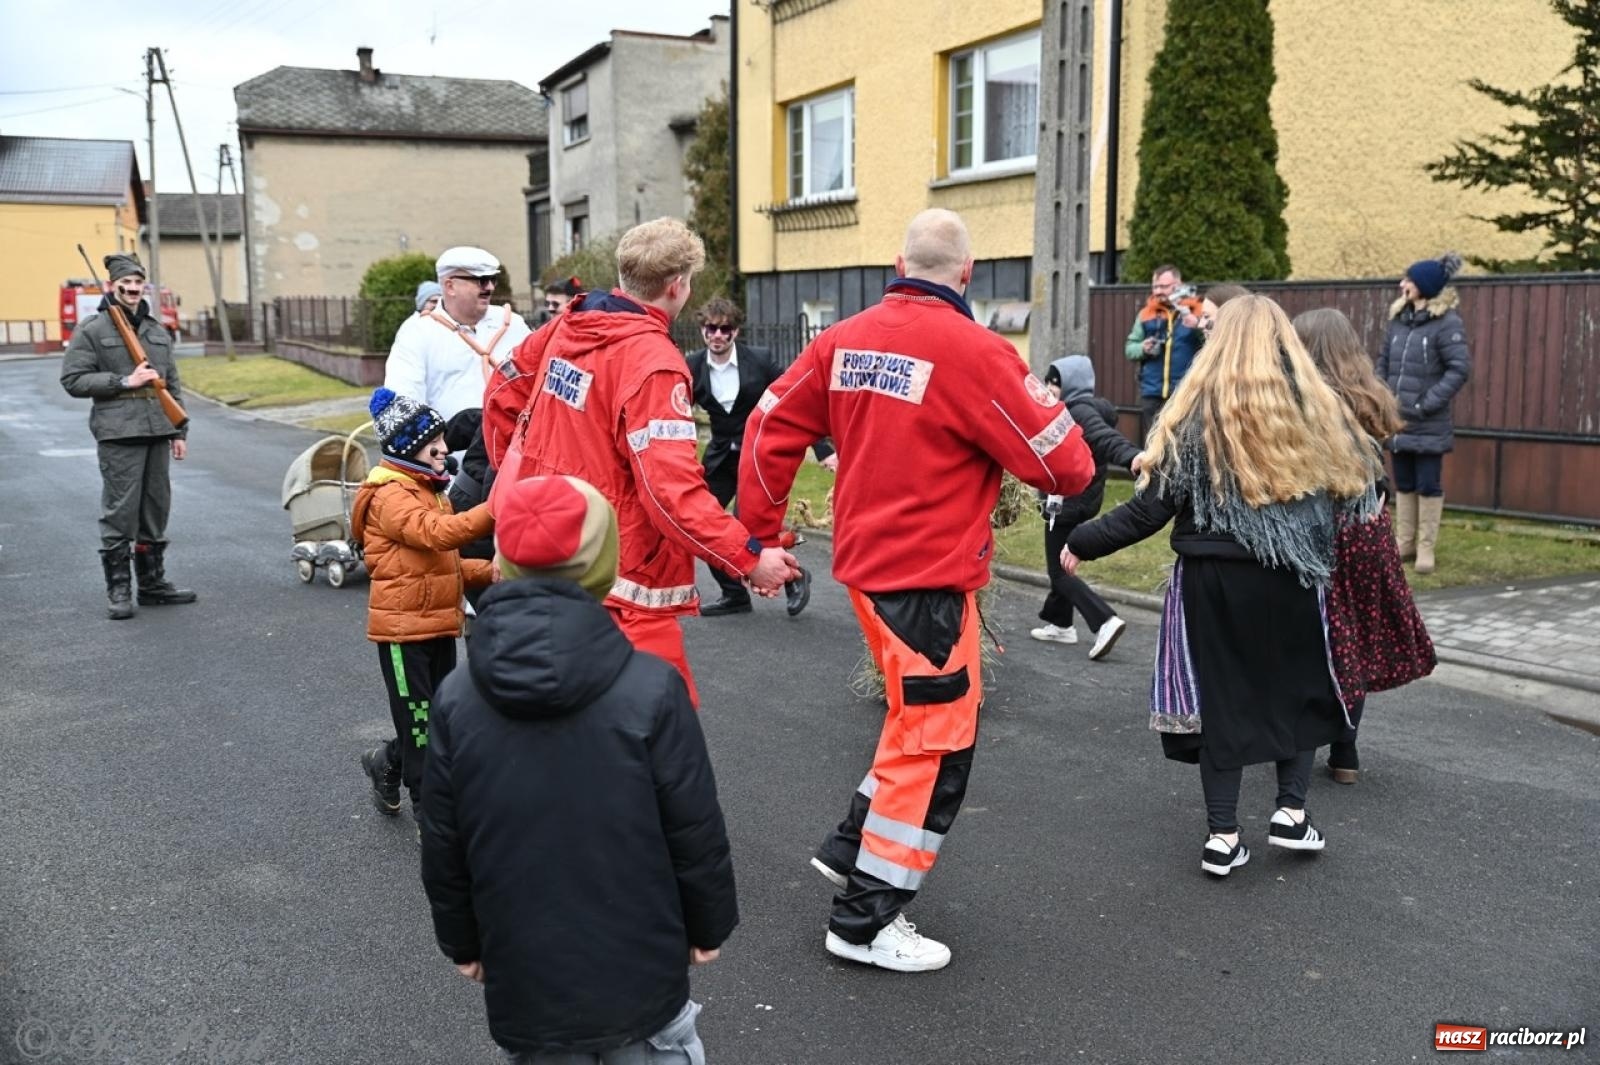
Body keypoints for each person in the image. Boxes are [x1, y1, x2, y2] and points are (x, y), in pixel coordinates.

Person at [739, 208, 1096, 972]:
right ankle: (864, 919)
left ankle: (851, 848)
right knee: (936, 749)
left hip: (870, 574)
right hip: (928, 581)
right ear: (966, 274)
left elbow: (769, 427)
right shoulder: (977, 351)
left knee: (917, 725)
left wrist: (761, 533)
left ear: (897, 264)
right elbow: (1067, 466)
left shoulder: (841, 339)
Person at [421, 474, 737, 1063]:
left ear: (504, 561)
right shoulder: (651, 688)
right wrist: (707, 924)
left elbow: (445, 836)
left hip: (523, 970)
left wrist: (461, 940)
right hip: (643, 961)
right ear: (603, 564)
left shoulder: (458, 698)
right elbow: (692, 823)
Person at [1066, 295, 1378, 878]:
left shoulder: (1192, 418)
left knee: (1224, 703)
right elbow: (1359, 490)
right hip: (1292, 578)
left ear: (1217, 345)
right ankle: (1290, 811)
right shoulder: (1317, 412)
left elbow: (1148, 512)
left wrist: (1081, 540)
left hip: (1209, 584)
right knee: (1298, 689)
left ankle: (1222, 837)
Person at [486, 218, 798, 705]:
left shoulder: (568, 326)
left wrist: (531, 491)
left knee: (547, 710)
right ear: (678, 286)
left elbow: (502, 395)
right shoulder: (653, 363)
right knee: (658, 726)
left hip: (540, 555)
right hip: (619, 576)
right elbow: (670, 491)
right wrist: (749, 558)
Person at [353, 388, 495, 824]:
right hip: (402, 632)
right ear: (405, 447)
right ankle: (430, 814)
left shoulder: (428, 489)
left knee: (438, 715)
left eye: (442, 438)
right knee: (420, 723)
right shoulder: (391, 495)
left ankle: (387, 760)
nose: (444, 448)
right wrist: (499, 506)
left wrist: (490, 571)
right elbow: (436, 534)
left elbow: (442, 563)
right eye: (431, 441)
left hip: (436, 623)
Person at [1295, 307, 1408, 785]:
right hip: (1369, 533)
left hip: (1324, 533)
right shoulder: (1370, 396)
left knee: (1311, 640)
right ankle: (1345, 750)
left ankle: (1296, 743)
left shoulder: (1310, 401)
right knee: (1354, 639)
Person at [60, 252, 195, 620]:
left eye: (138, 283)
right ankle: (119, 589)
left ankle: (152, 585)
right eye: (125, 283)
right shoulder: (92, 329)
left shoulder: (155, 329)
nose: (133, 288)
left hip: (158, 429)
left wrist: (179, 431)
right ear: (113, 285)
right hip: (119, 434)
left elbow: (172, 382)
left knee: (155, 509)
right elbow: (72, 380)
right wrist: (123, 381)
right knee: (120, 512)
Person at [686, 295, 834, 618]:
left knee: (750, 532)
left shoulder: (760, 360)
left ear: (736, 331)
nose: (718, 335)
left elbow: (798, 401)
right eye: (711, 328)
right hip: (721, 458)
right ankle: (734, 594)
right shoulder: (693, 366)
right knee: (703, 526)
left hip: (757, 456)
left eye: (725, 328)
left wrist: (823, 450)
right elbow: (678, 411)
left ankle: (795, 578)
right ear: (702, 330)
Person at [1030, 354, 1140, 660]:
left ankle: (1104, 620)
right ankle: (1060, 623)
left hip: (1066, 503)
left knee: (1059, 571)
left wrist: (1132, 457)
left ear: (1072, 385)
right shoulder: (1084, 408)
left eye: (1056, 382)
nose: (1050, 387)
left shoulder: (1077, 411)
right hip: (1081, 500)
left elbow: (1105, 439)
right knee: (1061, 562)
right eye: (1049, 381)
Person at [1376, 252, 1471, 575]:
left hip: (1428, 422)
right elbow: (1383, 362)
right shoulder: (1398, 320)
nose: (1403, 284)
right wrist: (1382, 397)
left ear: (1424, 287)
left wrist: (1425, 403)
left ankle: (1426, 548)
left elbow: (1459, 370)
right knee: (1403, 482)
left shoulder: (1447, 323)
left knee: (1427, 483)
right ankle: (1405, 543)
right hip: (1398, 421)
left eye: (1409, 280)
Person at [385, 246, 532, 422]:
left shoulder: (512, 324)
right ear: (450, 286)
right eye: (482, 280)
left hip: (511, 446)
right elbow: (404, 399)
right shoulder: (417, 332)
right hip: (452, 448)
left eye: (493, 279)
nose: (490, 287)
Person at [1123, 264, 1207, 441]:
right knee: (1151, 443)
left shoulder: (1198, 309)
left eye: (1163, 286)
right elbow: (1130, 348)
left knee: (1184, 443)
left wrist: (1198, 324)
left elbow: (1213, 342)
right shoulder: (1146, 313)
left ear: (1178, 285)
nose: (1158, 291)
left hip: (1185, 393)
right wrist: (1142, 348)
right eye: (1155, 286)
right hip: (1151, 393)